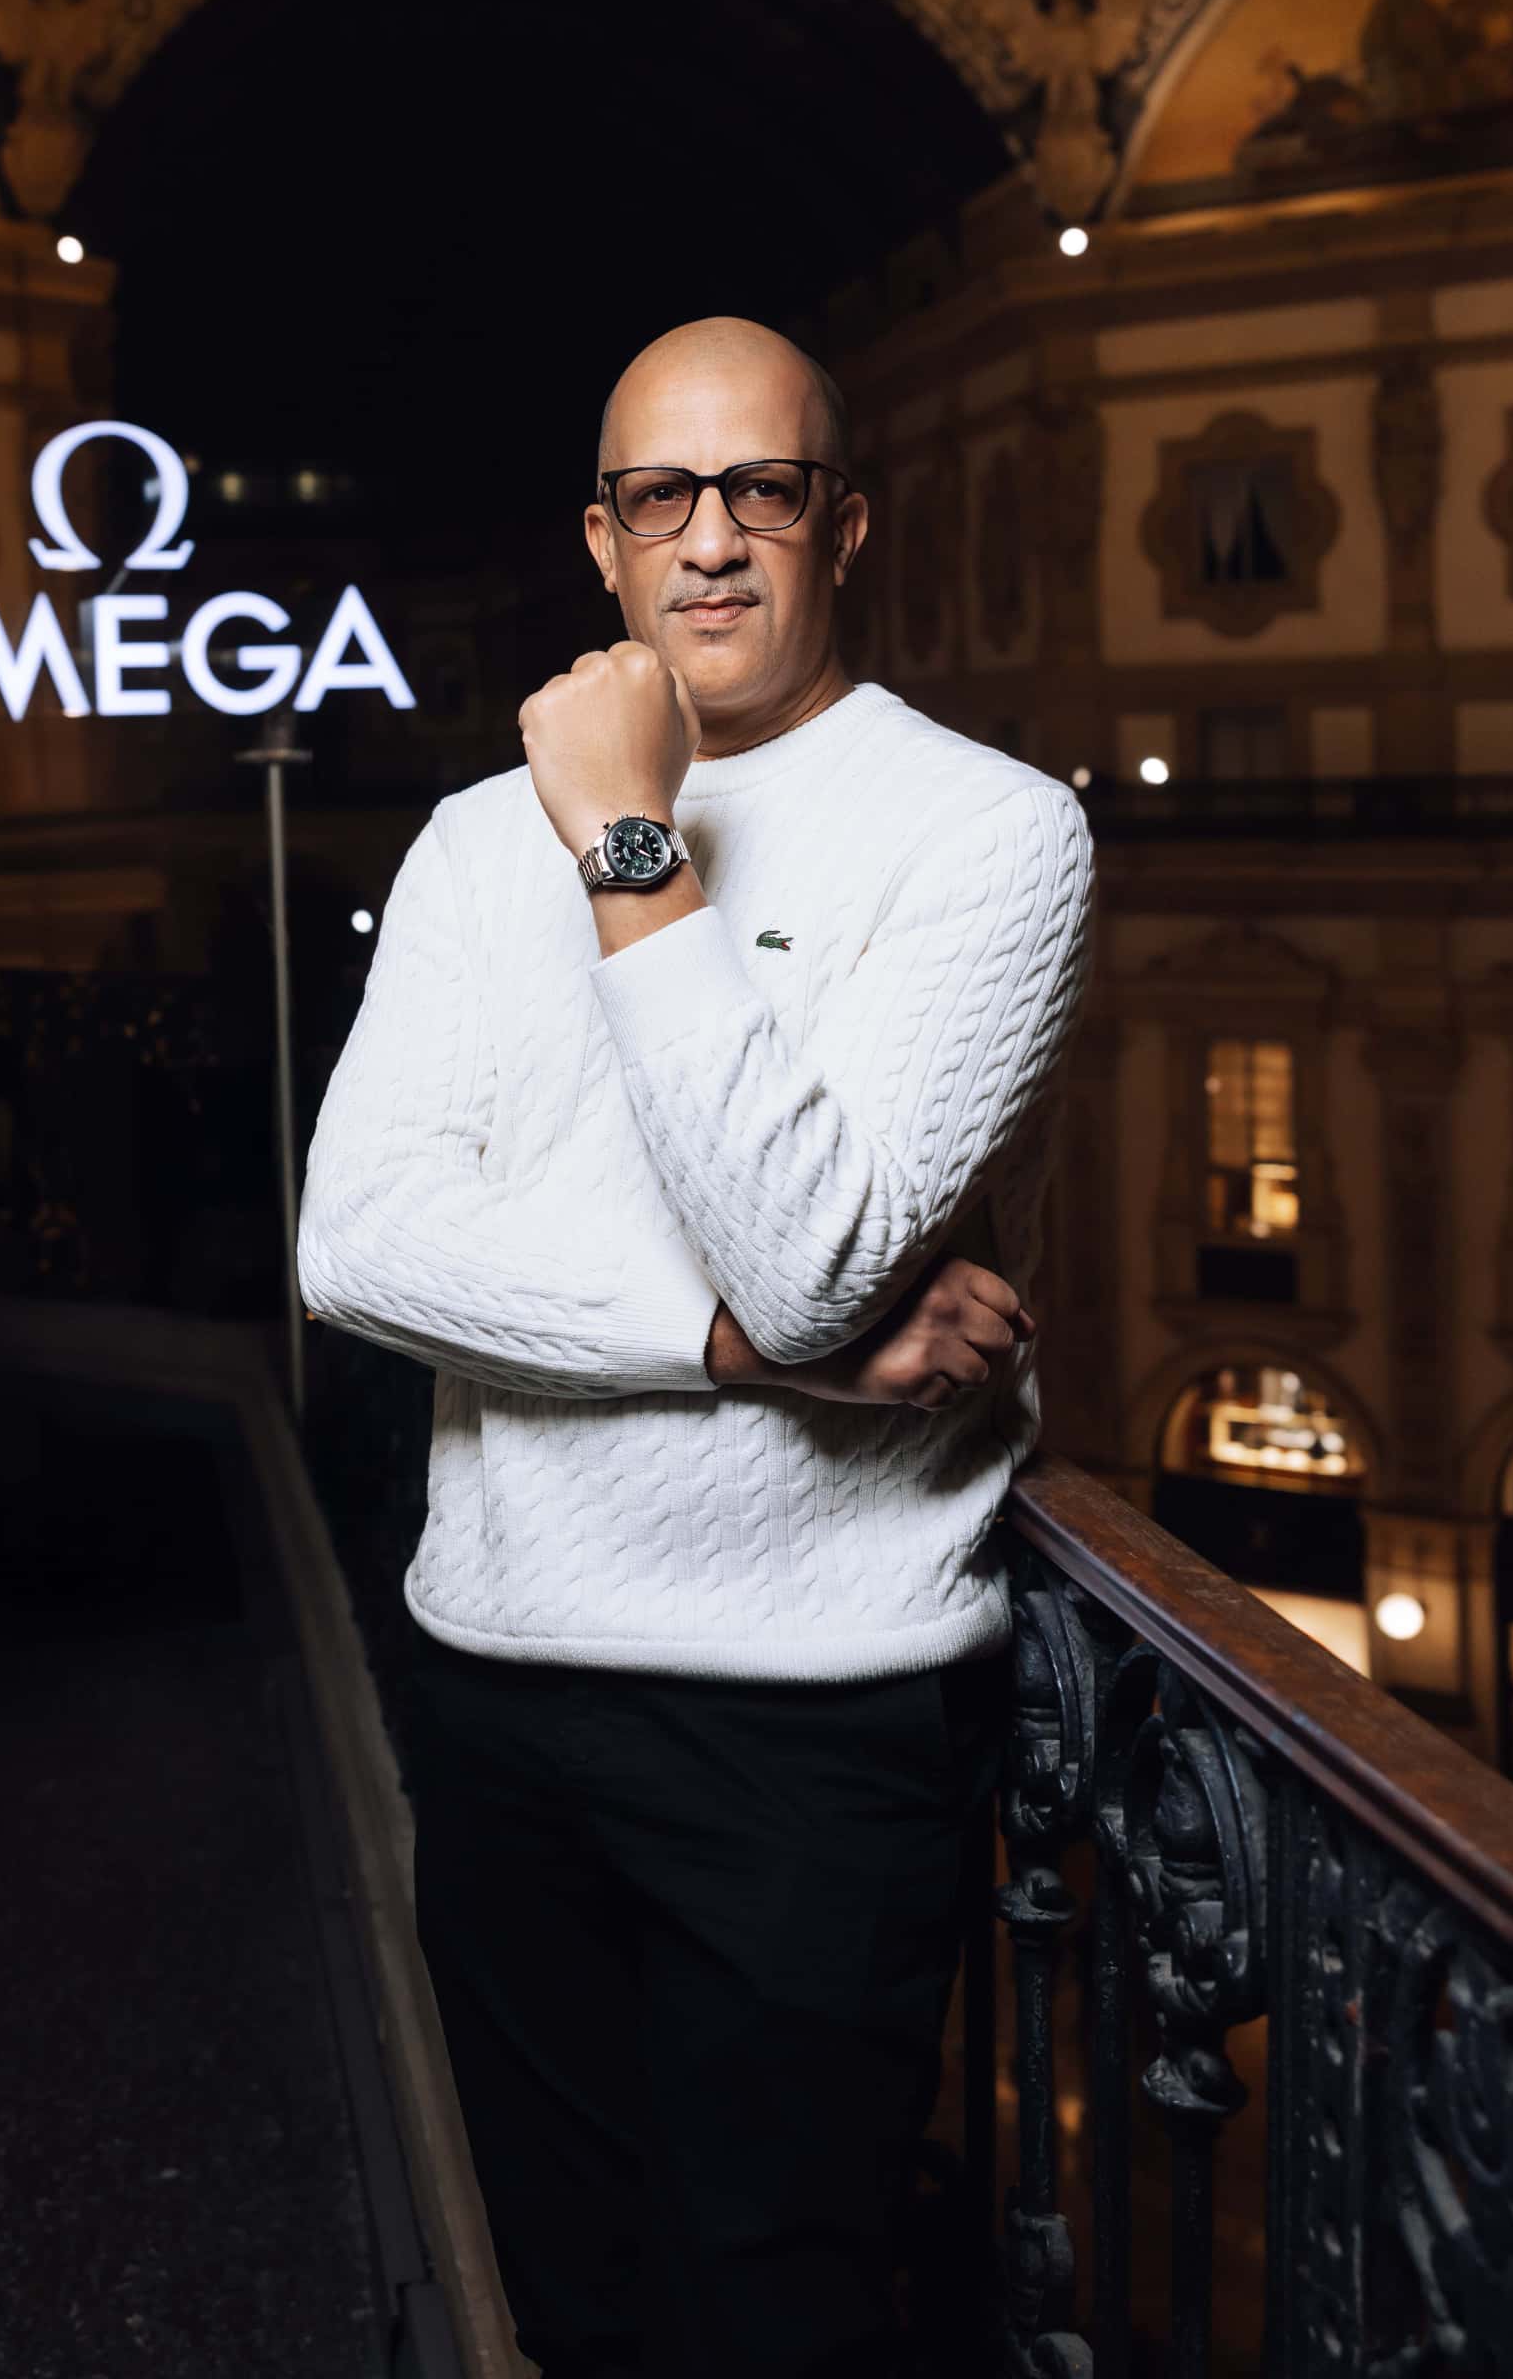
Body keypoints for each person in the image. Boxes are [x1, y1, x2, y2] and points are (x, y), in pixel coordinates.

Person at [298, 316, 1097, 2379]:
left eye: (763, 490)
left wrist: (627, 843)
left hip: (810, 1731)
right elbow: (361, 1247)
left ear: (846, 525)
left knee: (776, 2322)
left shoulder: (992, 832)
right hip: (498, 1689)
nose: (712, 539)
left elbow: (811, 1254)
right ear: (603, 539)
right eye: (662, 494)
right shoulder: (470, 840)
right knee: (569, 2306)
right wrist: (737, 1353)